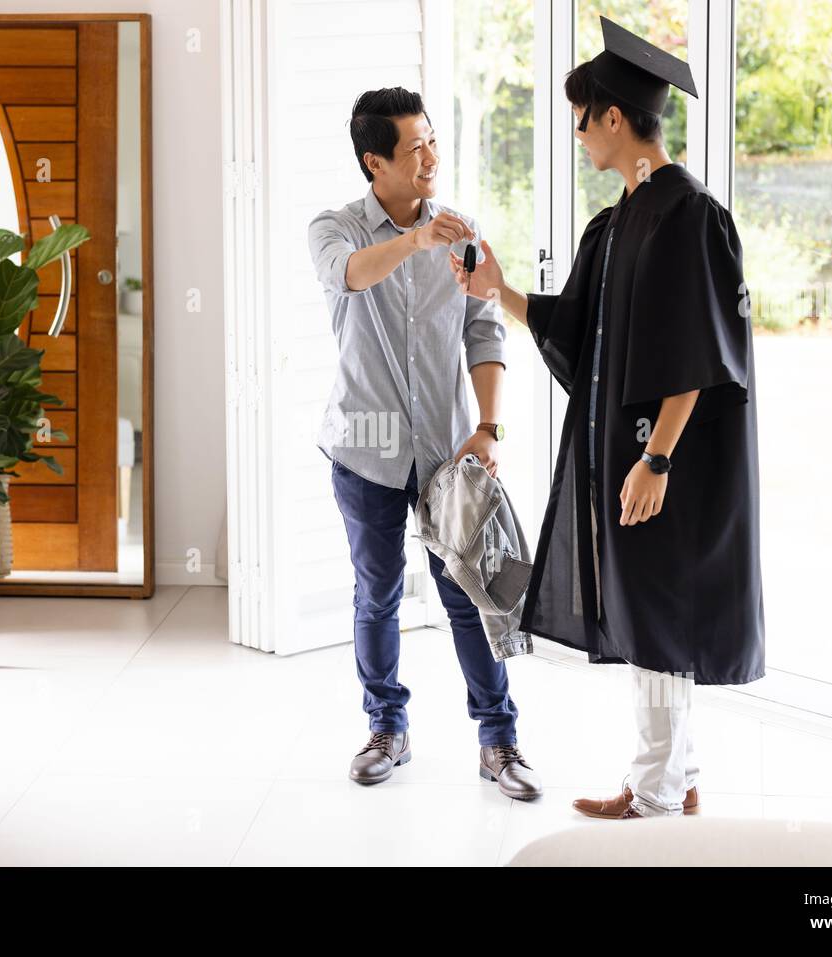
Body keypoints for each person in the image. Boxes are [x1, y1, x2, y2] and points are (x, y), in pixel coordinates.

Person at [450, 18, 765, 819]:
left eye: (584, 119)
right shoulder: (620, 217)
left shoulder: (688, 215)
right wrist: (500, 289)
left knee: (659, 614)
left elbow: (701, 351)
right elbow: (579, 329)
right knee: (648, 610)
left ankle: (656, 792)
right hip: (625, 458)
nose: (581, 134)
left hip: (664, 465)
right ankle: (675, 773)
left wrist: (656, 460)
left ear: (616, 119)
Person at [307, 87, 542, 800]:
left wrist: (489, 427)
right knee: (376, 593)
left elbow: (485, 329)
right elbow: (347, 277)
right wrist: (413, 239)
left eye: (433, 139)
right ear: (374, 161)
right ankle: (387, 727)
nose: (431, 156)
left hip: (447, 450)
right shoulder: (335, 226)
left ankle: (498, 740)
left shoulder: (461, 229)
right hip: (365, 449)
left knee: (469, 591)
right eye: (415, 147)